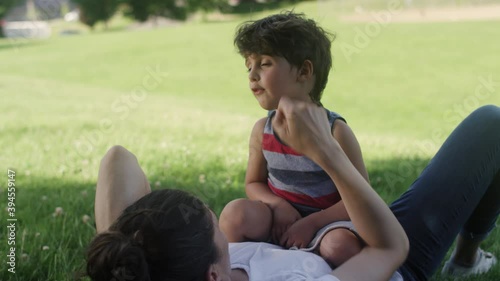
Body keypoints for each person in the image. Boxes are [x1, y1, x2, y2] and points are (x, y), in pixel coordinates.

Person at [86, 100, 499, 281]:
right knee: (490, 125)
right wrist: (325, 149)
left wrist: (118, 248)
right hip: (387, 261)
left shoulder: (173, 269)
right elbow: (390, 249)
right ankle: (465, 258)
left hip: (314, 246)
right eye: (213, 225)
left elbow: (117, 160)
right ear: (214, 275)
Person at [219, 11, 368, 267]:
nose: (252, 75)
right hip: (277, 221)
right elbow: (254, 183)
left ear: (304, 71)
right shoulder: (262, 131)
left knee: (340, 246)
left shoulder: (336, 131)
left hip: (327, 224)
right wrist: (277, 206)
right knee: (235, 214)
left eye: (264, 63)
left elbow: (361, 197)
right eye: (249, 66)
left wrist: (311, 223)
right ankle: (238, 270)